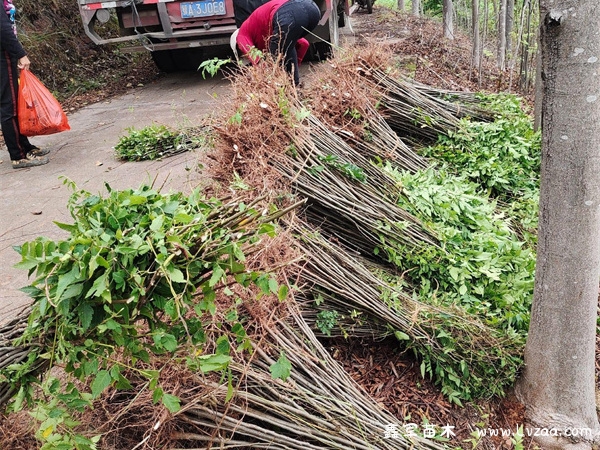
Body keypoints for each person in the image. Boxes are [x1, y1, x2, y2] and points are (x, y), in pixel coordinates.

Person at [1, 0, 50, 169]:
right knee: (9, 106)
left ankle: (25, 147)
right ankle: (18, 156)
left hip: (5, 54)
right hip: (2, 56)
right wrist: (21, 54)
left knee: (13, 102)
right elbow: (3, 29)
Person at [232, 0, 321, 85]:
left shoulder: (241, 36)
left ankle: (288, 90)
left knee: (273, 60)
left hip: (290, 14)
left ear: (238, 47)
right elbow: (304, 44)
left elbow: (259, 62)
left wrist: (260, 78)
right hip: (312, 9)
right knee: (286, 47)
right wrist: (293, 68)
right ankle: (294, 87)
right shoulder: (266, 30)